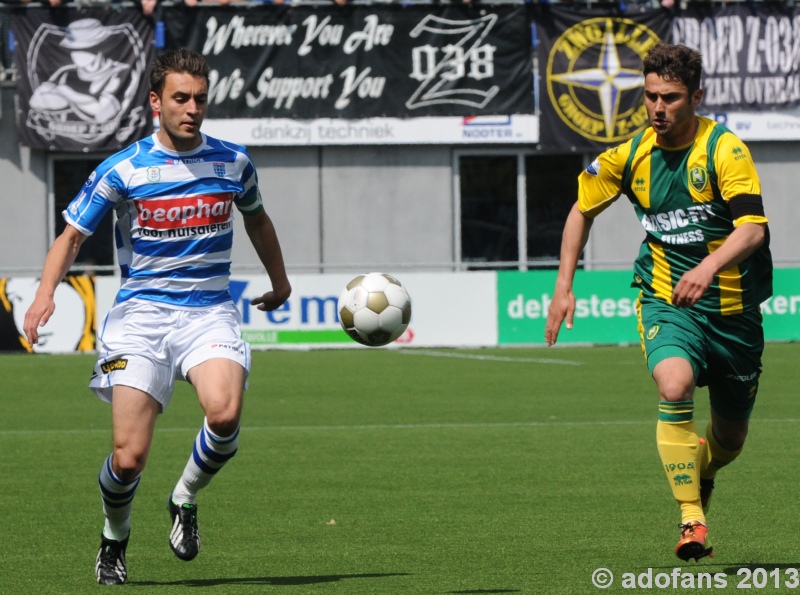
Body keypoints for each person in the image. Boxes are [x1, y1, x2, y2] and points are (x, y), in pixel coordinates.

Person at [23, 48, 292, 585]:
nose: (192, 108)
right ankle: (113, 537)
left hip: (208, 313)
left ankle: (185, 497)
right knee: (129, 458)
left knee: (224, 413)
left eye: (200, 99)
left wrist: (280, 282)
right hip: (141, 320)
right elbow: (72, 235)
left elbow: (258, 221)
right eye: (180, 98)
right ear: (155, 102)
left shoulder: (233, 162)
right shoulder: (123, 168)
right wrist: (43, 294)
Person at [544, 42, 772, 562]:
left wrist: (710, 266)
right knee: (674, 381)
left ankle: (703, 469)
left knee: (730, 440)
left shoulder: (724, 149)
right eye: (649, 97)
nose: (657, 109)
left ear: (696, 96)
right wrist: (563, 287)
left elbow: (753, 230)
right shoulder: (630, 154)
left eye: (669, 98)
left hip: (734, 311)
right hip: (666, 297)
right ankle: (692, 517)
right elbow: (582, 209)